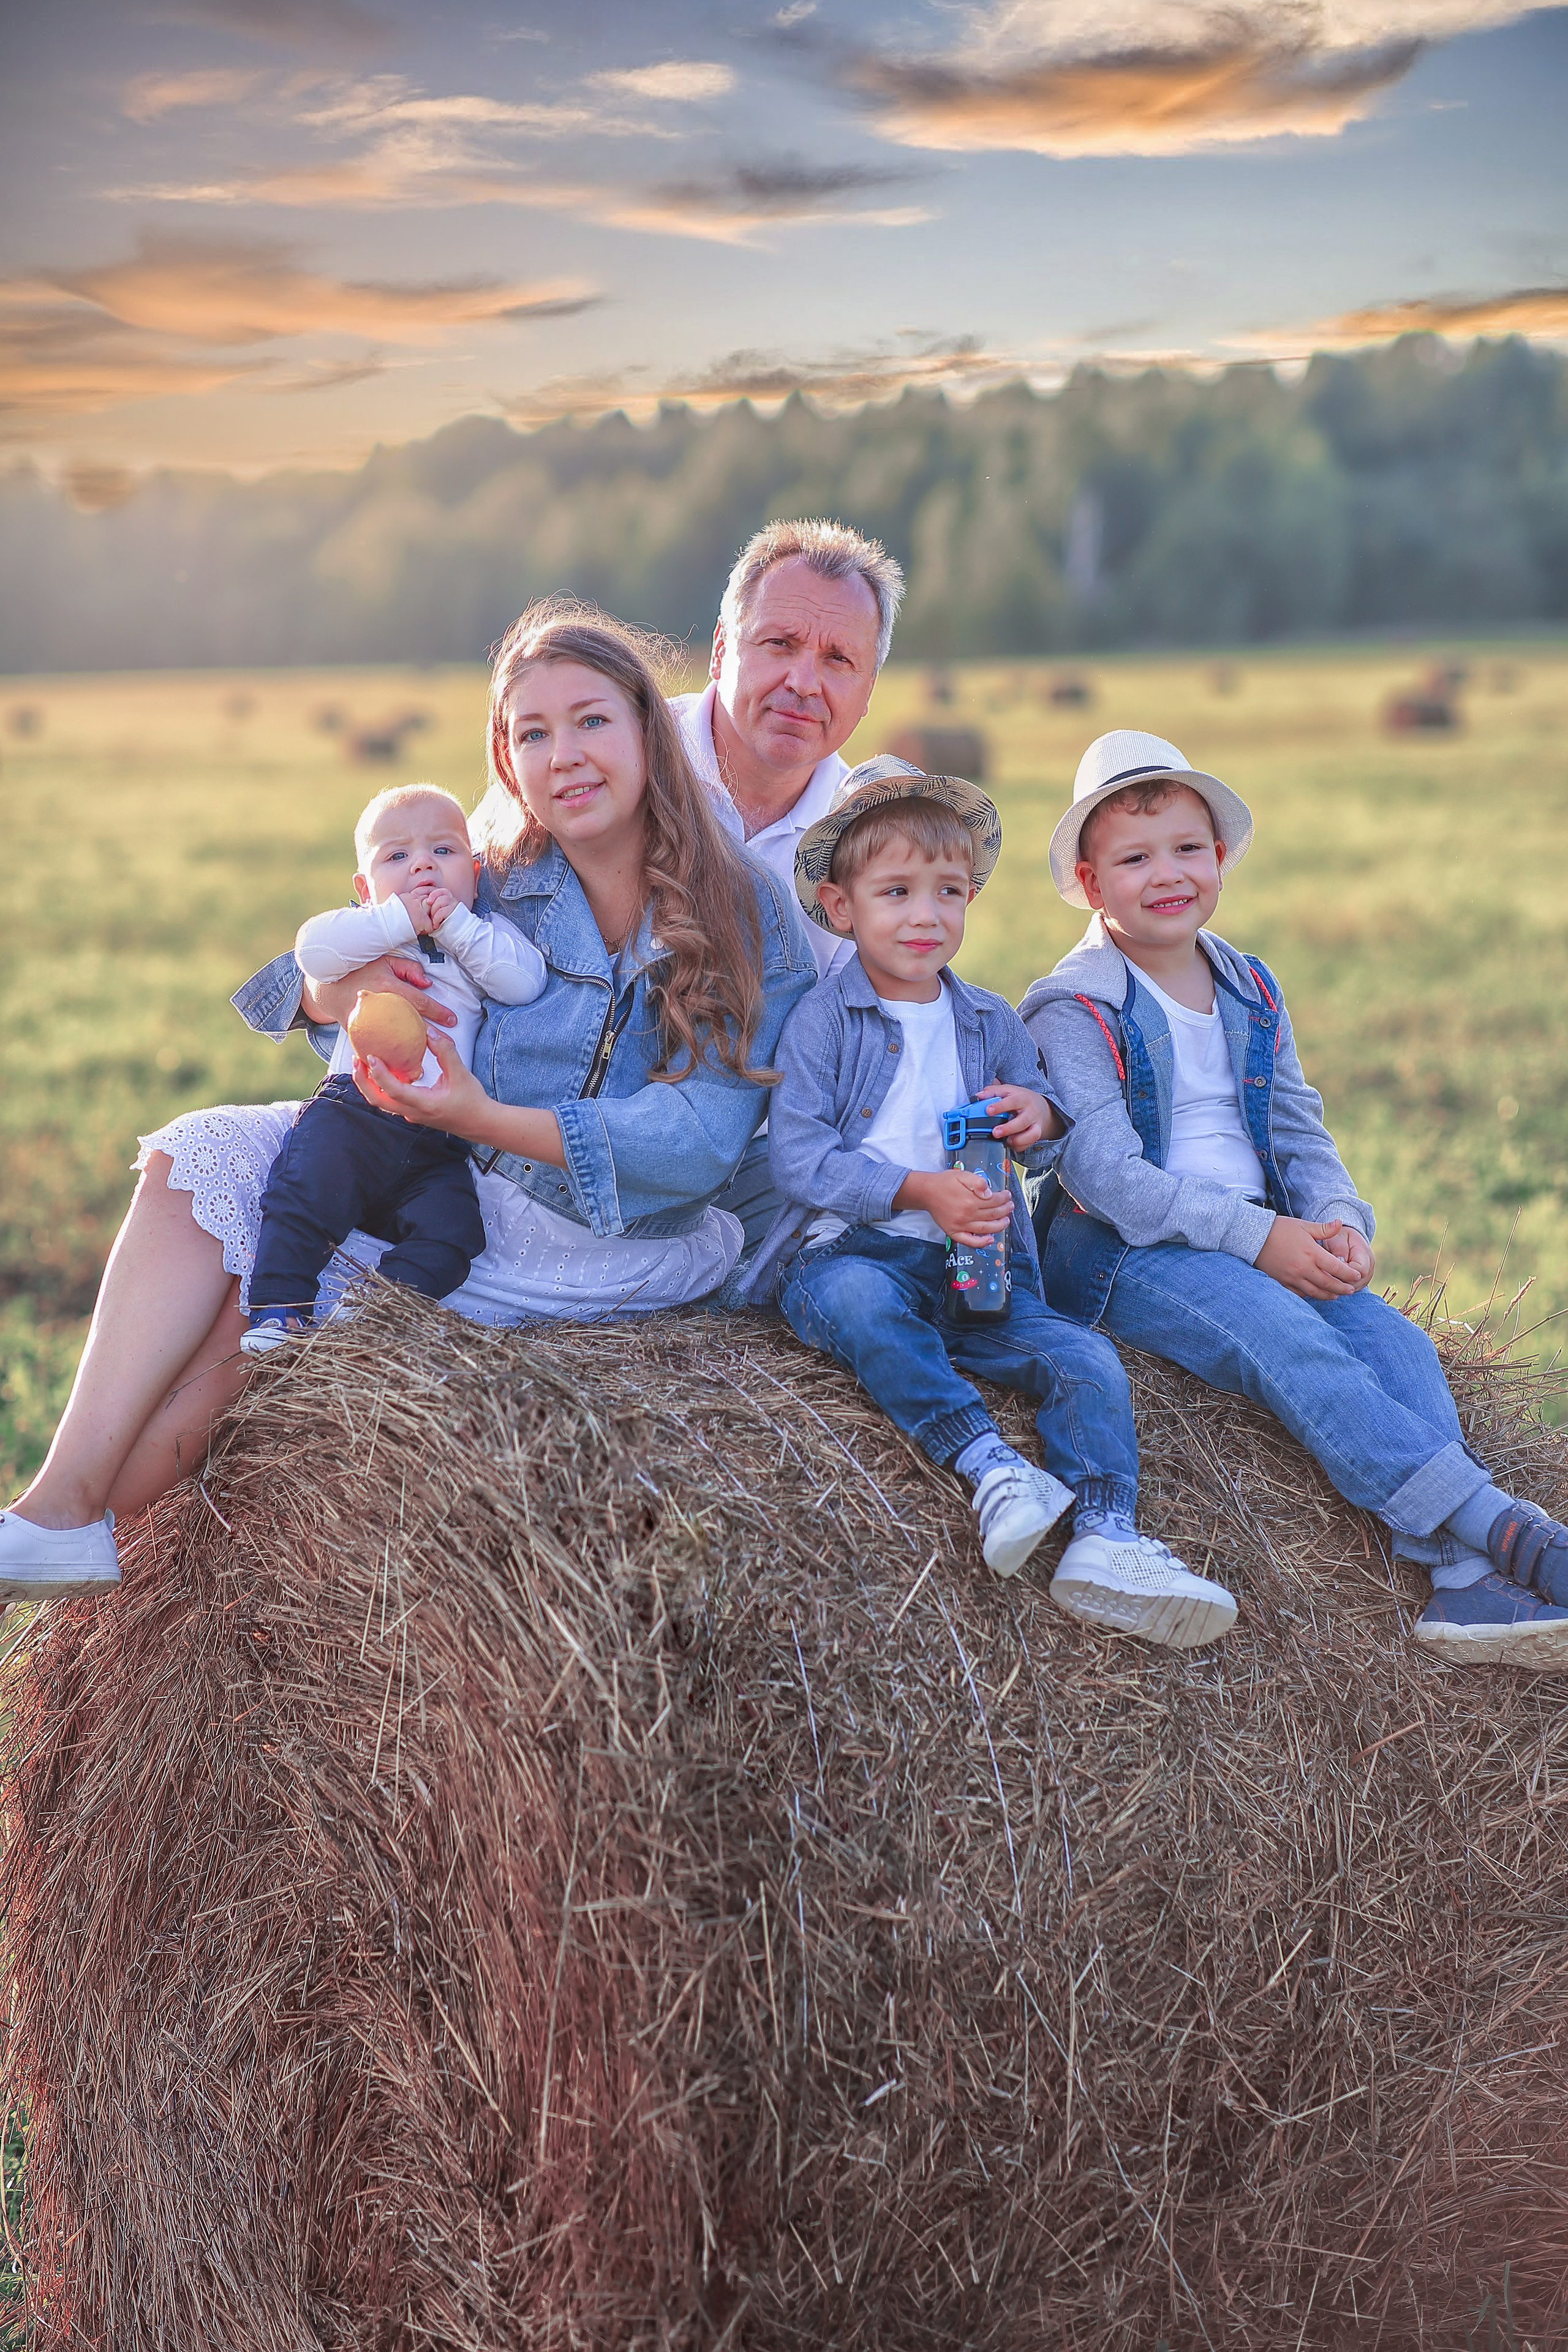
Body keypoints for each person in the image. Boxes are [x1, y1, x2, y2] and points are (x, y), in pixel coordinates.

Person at [0, 603, 816, 1604]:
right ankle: (52, 1513)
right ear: (506, 760)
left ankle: (83, 1516)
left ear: (649, 728)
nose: (566, 754)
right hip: (448, 1169)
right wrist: (333, 991)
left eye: (592, 721)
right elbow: (291, 981)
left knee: (229, 1336)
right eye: (532, 732)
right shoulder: (498, 876)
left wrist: (477, 1118)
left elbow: (696, 1144)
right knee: (194, 1153)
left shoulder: (744, 908)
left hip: (598, 1242)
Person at [1020, 728, 1568, 1664]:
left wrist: (1339, 1220)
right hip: (1125, 1255)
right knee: (1289, 1343)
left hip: (1260, 1233)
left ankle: (1464, 1584)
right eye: (1135, 857)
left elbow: (1299, 1130)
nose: (1169, 874)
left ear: (1221, 855)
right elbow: (1106, 1177)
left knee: (1391, 1341)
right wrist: (1259, 1239)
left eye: (1189, 849)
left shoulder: (1249, 985)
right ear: (1089, 880)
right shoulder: (1073, 1007)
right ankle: (1509, 1531)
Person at [752, 754, 1238, 1645]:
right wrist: (913, 1190)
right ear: (840, 907)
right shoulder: (823, 1021)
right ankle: (988, 1465)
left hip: (981, 1262)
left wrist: (1040, 1112)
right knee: (858, 1305)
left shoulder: (990, 1021)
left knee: (1084, 1358)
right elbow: (798, 1157)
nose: (926, 915)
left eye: (947, 891)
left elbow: (1050, 1139)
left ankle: (1106, 1531)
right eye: (896, 892)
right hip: (858, 1254)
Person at [243, 782, 546, 1354]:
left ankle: (371, 1312)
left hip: (437, 1135)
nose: (423, 865)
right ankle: (279, 1310)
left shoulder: (482, 934)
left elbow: (524, 980)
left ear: (475, 873)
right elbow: (313, 951)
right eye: (397, 856)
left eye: (444, 851)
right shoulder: (366, 934)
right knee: (302, 1195)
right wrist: (392, 922)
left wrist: (455, 926)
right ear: (365, 887)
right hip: (353, 1111)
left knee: (456, 1234)